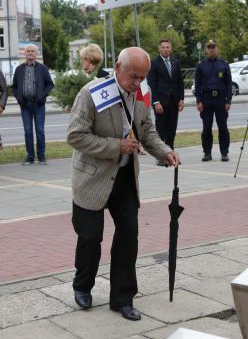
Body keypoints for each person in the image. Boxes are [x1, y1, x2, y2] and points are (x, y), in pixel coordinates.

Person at [67, 47, 180, 321]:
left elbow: (147, 130)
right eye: (133, 76)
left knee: (129, 236)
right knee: (91, 237)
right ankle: (83, 286)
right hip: (92, 177)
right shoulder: (92, 93)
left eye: (142, 77)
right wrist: (116, 146)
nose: (137, 83)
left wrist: (164, 151)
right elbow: (75, 136)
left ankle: (123, 297)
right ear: (117, 67)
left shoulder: (141, 94)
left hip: (125, 178)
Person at [12, 44, 54, 165]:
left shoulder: (42, 68)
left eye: (33, 51)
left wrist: (42, 95)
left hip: (39, 105)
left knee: (40, 131)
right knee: (28, 131)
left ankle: (41, 156)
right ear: (25, 54)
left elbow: (50, 84)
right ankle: (30, 156)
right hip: (25, 105)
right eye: (28, 51)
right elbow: (14, 86)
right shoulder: (19, 69)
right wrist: (19, 98)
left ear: (36, 54)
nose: (30, 53)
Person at [194, 39, 232, 162]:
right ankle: (207, 153)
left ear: (217, 48)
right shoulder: (201, 65)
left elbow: (228, 84)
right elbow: (198, 84)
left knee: (223, 127)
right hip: (206, 99)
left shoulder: (224, 64)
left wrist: (228, 101)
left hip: (221, 99)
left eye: (213, 47)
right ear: (206, 49)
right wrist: (199, 101)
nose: (211, 49)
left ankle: (224, 153)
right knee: (206, 128)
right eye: (209, 47)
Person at [148, 39, 185, 165]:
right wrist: (156, 102)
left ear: (171, 49)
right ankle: (161, 156)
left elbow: (180, 82)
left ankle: (171, 154)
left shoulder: (175, 62)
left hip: (174, 101)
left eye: (168, 47)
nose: (165, 49)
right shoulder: (154, 63)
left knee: (172, 129)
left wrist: (181, 99)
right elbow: (151, 84)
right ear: (159, 49)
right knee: (161, 130)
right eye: (163, 47)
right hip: (161, 103)